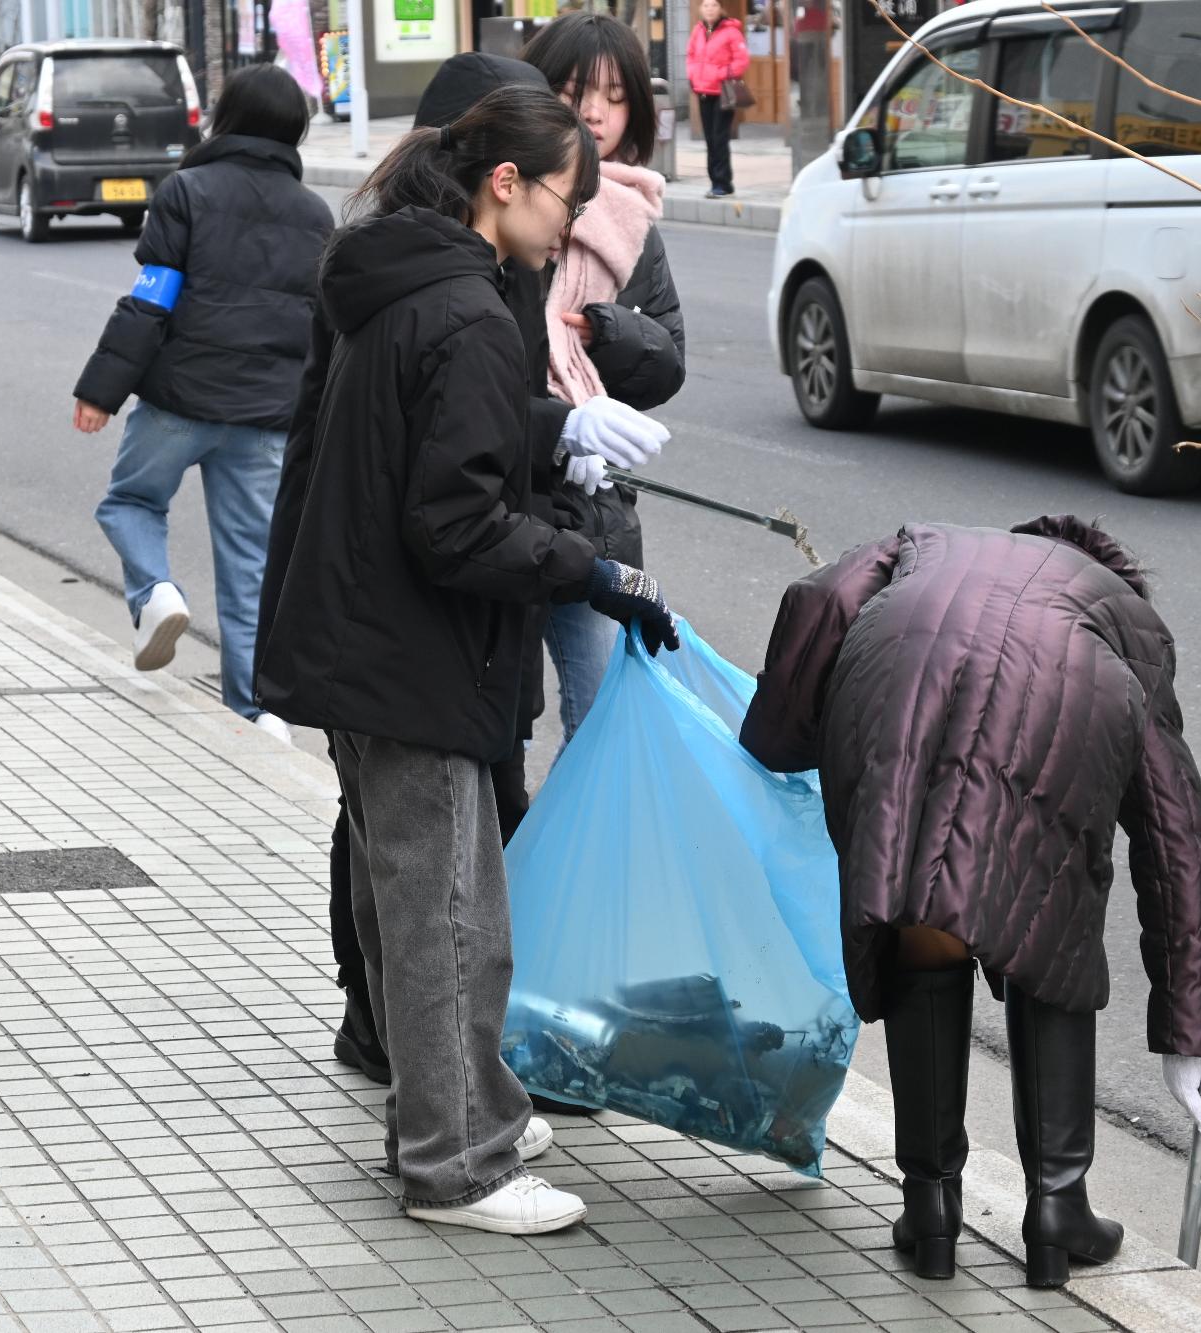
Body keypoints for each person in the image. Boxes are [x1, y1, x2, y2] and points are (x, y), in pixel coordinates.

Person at [258, 86, 680, 1235]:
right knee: (450, 912)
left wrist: (552, 436)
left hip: (360, 632)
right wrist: (585, 568)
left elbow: (427, 442)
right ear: (506, 185)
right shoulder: (467, 314)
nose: (567, 228)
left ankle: (452, 1112)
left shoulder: (397, 279)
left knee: (416, 901)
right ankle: (456, 1164)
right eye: (562, 200)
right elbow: (450, 522)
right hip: (410, 647)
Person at [739, 516, 1201, 1288]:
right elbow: (1178, 837)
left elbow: (825, 598)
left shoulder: (927, 545)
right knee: (1049, 923)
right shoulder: (1126, 620)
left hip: (894, 673)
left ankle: (930, 1205)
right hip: (1065, 695)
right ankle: (1058, 1208)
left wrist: (775, 736)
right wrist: (1192, 1033)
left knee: (919, 912)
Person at [73, 64, 332, 738]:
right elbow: (321, 326)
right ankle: (258, 712)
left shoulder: (187, 190)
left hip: (179, 400)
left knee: (130, 501)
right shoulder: (314, 213)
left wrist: (101, 391)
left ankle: (155, 592)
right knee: (253, 565)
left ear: (227, 118)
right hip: (267, 416)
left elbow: (152, 299)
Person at [524, 12, 687, 741]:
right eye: (574, 90)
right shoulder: (513, 195)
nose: (593, 111)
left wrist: (606, 326)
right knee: (500, 726)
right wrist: (560, 427)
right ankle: (511, 856)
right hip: (508, 501)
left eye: (614, 96)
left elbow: (667, 360)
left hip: (594, 515)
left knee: (598, 723)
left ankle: (542, 857)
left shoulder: (633, 220)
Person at [687, 0, 750, 198]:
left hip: (723, 91)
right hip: (703, 90)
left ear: (720, 8)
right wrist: (693, 74)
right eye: (706, 6)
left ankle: (723, 182)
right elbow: (690, 56)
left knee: (719, 137)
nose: (710, 9)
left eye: (714, 5)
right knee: (709, 139)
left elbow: (742, 60)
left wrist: (721, 73)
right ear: (700, 9)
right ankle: (716, 181)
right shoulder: (698, 31)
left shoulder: (731, 31)